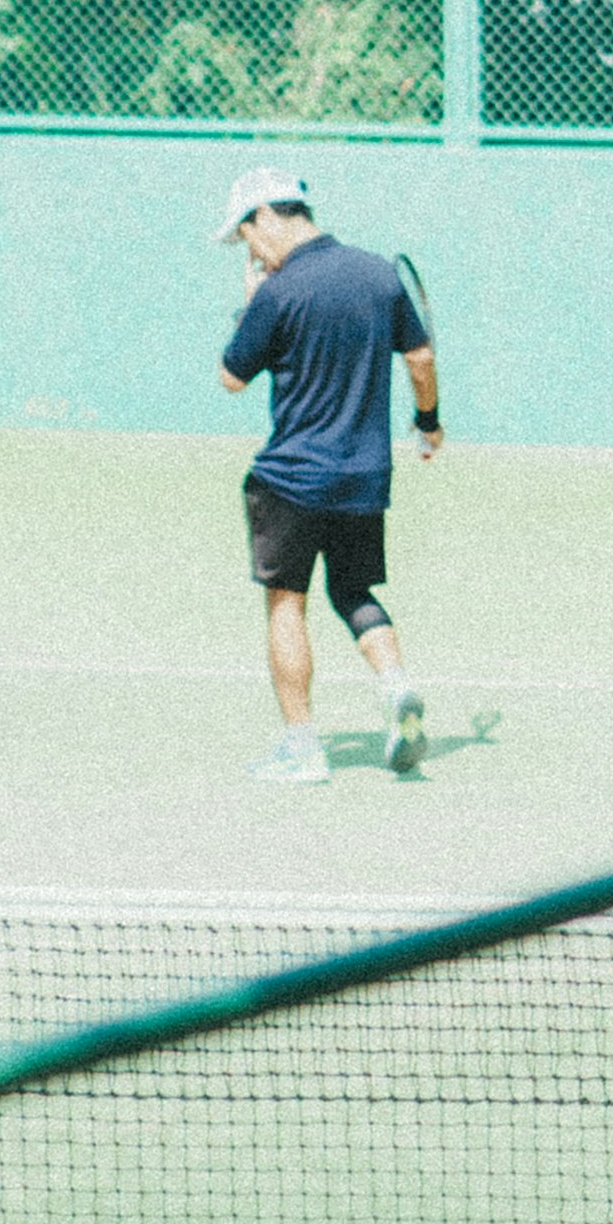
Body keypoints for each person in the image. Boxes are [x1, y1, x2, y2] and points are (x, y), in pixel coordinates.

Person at [216, 159, 440, 783]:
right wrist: (430, 423)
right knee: (354, 594)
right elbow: (419, 358)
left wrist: (248, 307)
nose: (251, 252)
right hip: (364, 477)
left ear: (266, 217)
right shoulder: (378, 275)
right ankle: (397, 689)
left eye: (247, 237)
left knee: (287, 602)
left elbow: (232, 378)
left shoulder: (278, 291)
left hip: (291, 479)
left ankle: (302, 747)